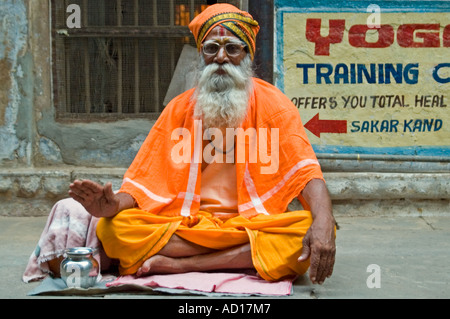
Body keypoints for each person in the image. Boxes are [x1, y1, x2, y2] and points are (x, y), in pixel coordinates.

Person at [50, 4, 336, 284]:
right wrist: (112, 206)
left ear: (246, 55)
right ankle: (240, 258)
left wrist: (323, 222)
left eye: (232, 48)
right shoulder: (178, 109)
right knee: (115, 230)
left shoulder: (275, 106)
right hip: (189, 224)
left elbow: (307, 174)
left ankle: (180, 265)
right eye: (212, 48)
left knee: (308, 231)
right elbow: (143, 183)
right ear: (201, 55)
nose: (221, 57)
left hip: (249, 223)